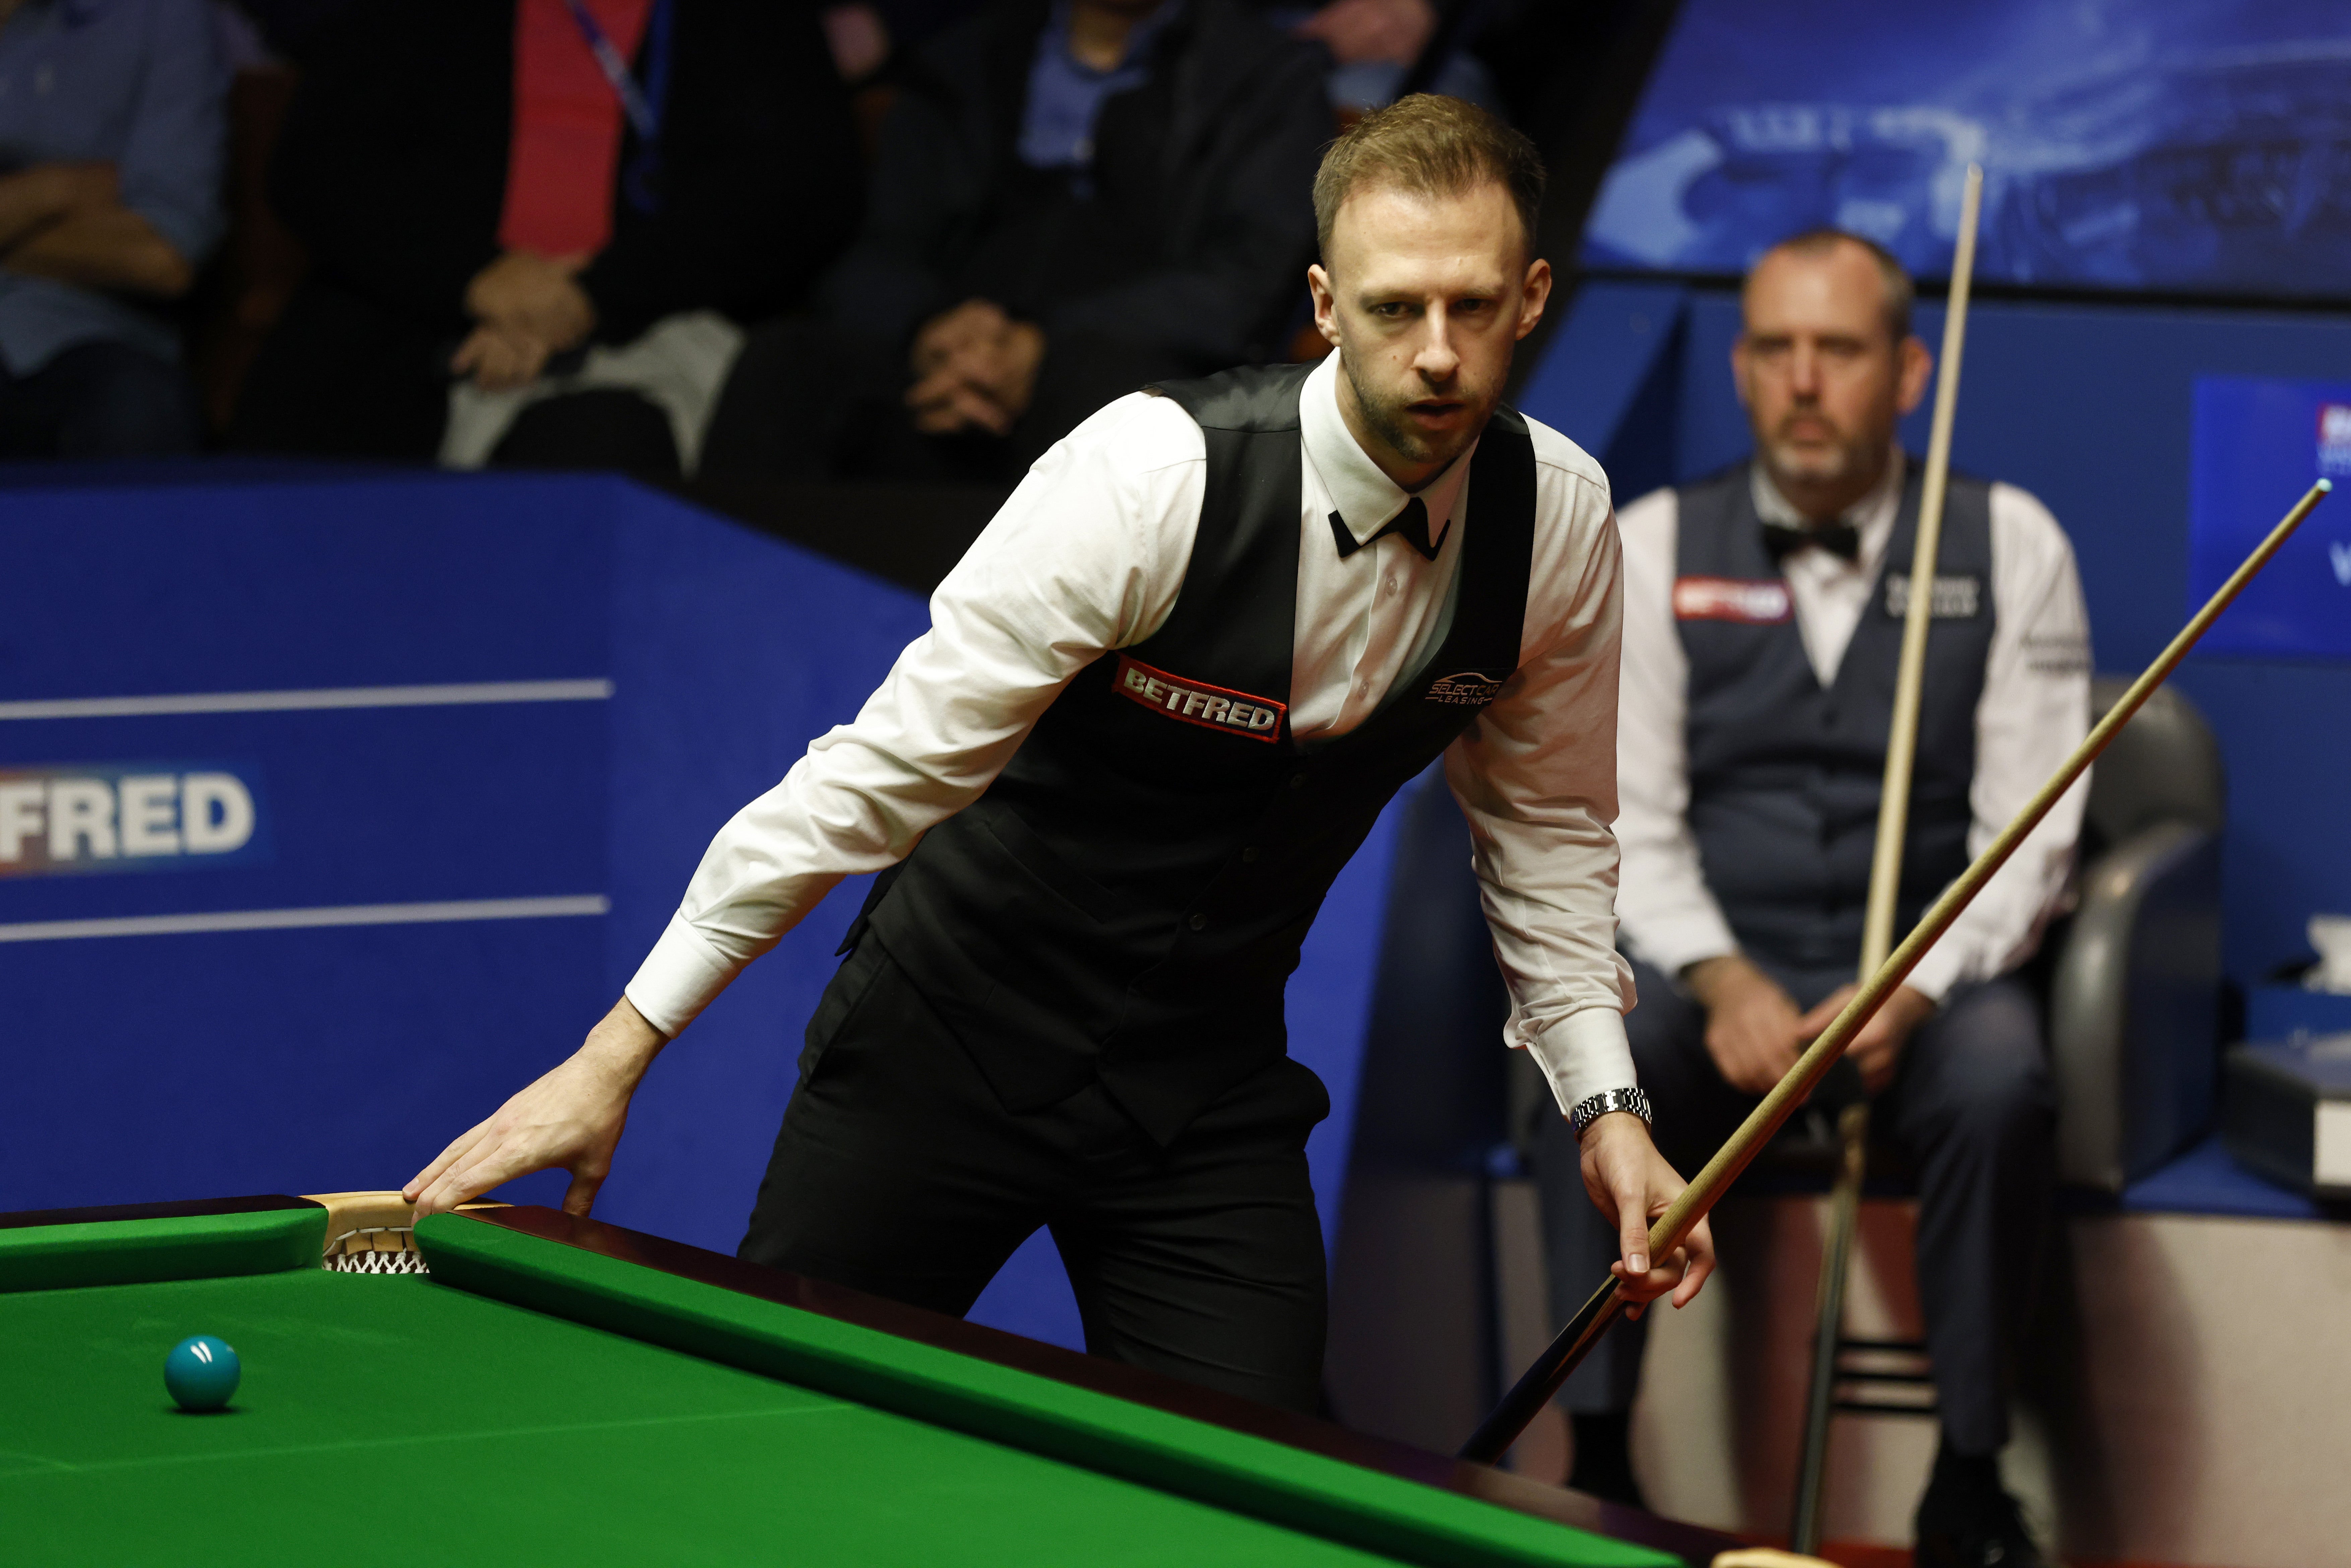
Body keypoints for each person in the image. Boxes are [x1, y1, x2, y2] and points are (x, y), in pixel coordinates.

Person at [409, 95, 1715, 1415]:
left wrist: (1605, 1106)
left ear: (1533, 296)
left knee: (1261, 1498)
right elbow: (874, 778)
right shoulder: (1149, 480)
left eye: (1471, 306)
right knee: (777, 1442)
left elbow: (1544, 829)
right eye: (1391, 310)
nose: (1436, 354)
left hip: (1200, 1093)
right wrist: (615, 1052)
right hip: (947, 1049)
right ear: (1322, 303)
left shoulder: (1555, 522)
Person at [1534, 230, 2089, 1567]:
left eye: (1834, 350)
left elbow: (2030, 827)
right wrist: (1717, 976)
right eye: (1772, 349)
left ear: (1905, 371)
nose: (1799, 380)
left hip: (1920, 975)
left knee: (2001, 1073)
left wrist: (1920, 983)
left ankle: (1965, 1474)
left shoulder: (2008, 543)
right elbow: (1629, 823)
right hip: (1715, 968)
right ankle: (1596, 1448)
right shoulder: (1652, 542)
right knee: (1590, 1055)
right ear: (1737, 367)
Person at [699, 0, 1330, 486]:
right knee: (784, 364)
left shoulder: (1269, 79)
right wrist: (934, 335)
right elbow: (875, 247)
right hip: (945, 353)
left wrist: (1040, 343)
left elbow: (1245, 282)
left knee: (1113, 403)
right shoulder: (966, 58)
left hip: (1135, 362)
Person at [231, 0, 860, 478]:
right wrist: (479, 279)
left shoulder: (746, 15)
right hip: (425, 312)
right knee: (294, 429)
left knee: (603, 447)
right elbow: (316, 168)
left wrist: (593, 295)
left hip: (653, 322)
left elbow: (799, 191)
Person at [0, 0, 225, 459]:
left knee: (138, 406)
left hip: (70, 337)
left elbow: (164, 253)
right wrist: (55, 190)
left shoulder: (161, 16)